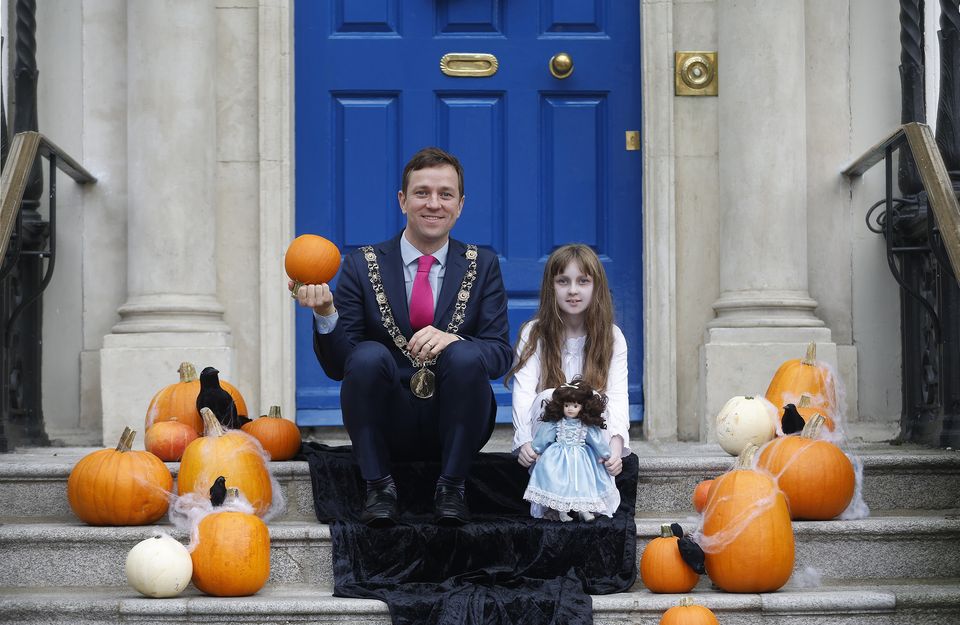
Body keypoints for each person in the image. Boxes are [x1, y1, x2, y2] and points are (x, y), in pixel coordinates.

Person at [293, 146, 512, 527]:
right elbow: (339, 366)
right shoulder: (362, 265)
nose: (433, 204)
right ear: (402, 200)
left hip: (458, 419)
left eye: (445, 194)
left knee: (464, 355)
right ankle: (379, 487)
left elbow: (498, 353)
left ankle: (451, 488)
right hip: (388, 421)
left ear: (460, 205)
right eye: (422, 192)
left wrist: (455, 341)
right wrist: (326, 313)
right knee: (368, 355)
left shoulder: (484, 265)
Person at [506, 243, 630, 518]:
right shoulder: (534, 333)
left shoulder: (611, 336)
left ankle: (588, 501)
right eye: (563, 281)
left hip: (591, 440)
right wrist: (524, 441)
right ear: (552, 287)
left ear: (596, 287)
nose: (573, 290)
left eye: (582, 281)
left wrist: (616, 446)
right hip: (550, 442)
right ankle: (553, 499)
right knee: (548, 397)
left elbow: (619, 395)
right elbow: (524, 394)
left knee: (598, 401)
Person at [523, 379, 619, 522]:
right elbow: (544, 437)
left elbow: (597, 440)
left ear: (582, 407)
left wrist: (606, 454)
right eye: (566, 405)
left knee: (582, 483)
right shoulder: (556, 423)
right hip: (558, 458)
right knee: (560, 485)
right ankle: (562, 512)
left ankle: (583, 510)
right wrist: (536, 449)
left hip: (581, 459)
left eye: (575, 405)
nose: (570, 409)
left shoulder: (586, 426)